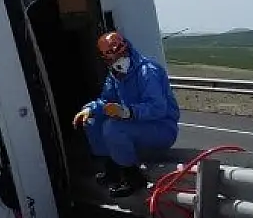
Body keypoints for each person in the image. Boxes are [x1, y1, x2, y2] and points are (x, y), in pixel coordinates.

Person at [72, 31, 180, 198]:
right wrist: (91, 109)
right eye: (110, 58)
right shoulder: (115, 75)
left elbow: (158, 108)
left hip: (162, 127)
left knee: (113, 127)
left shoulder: (147, 71)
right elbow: (106, 100)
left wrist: (128, 112)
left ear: (125, 49)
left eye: (118, 55)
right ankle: (112, 169)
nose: (116, 61)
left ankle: (133, 177)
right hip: (139, 123)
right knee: (93, 122)